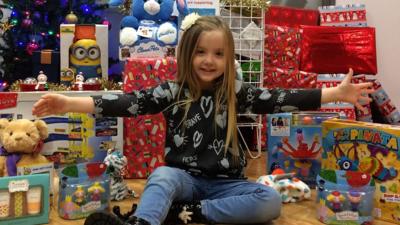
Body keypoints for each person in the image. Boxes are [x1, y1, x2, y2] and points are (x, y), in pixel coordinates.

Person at [32, 15, 374, 225]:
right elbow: (126, 102)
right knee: (162, 176)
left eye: (219, 53)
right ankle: (144, 222)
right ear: (187, 54)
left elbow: (284, 98)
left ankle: (189, 214)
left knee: (269, 201)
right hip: (183, 179)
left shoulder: (238, 93)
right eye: (200, 52)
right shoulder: (171, 92)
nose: (209, 60)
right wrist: (67, 101)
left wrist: (334, 94)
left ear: (228, 59)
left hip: (227, 186)